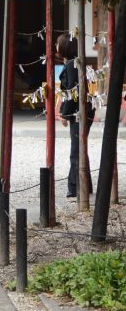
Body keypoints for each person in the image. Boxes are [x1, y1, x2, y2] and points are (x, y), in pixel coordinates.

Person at [55, 34, 93, 198]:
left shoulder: (72, 64)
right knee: (79, 148)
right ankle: (84, 185)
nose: (56, 46)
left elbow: (73, 92)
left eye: (58, 43)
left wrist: (64, 113)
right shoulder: (74, 63)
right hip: (82, 109)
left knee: (76, 150)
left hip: (79, 111)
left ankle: (75, 187)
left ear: (64, 47)